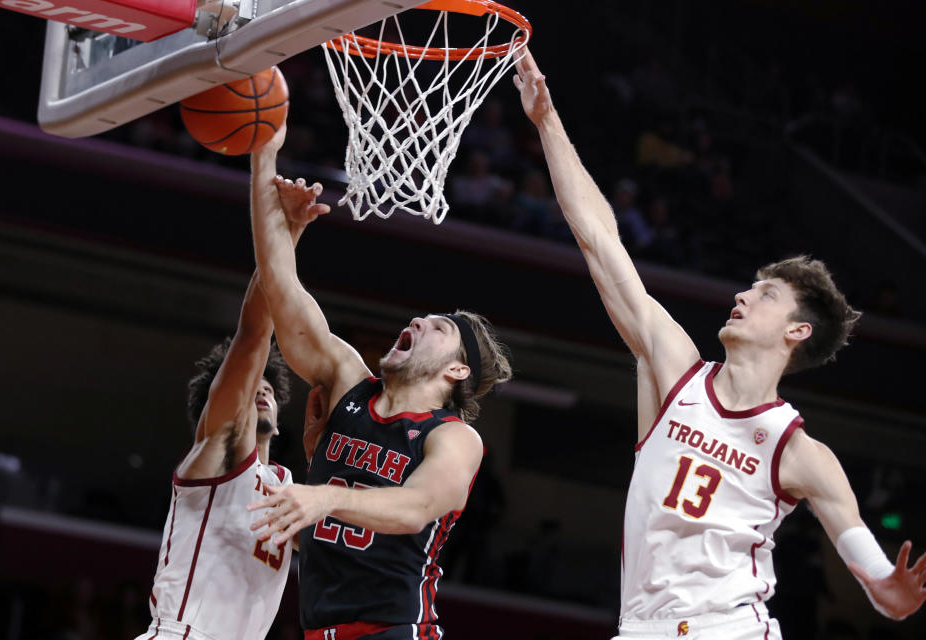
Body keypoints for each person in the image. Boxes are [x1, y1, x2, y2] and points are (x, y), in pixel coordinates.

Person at [513, 49, 926, 639]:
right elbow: (601, 241)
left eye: (765, 294)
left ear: (797, 330)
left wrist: (888, 588)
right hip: (640, 627)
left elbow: (872, 570)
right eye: (749, 286)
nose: (742, 296)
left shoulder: (799, 450)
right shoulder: (674, 368)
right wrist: (547, 122)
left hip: (728, 627)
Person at [246, 123, 513, 640]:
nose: (415, 323)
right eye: (420, 318)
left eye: (437, 329)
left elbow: (414, 509)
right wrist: (265, 159)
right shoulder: (351, 383)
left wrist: (321, 498)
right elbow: (282, 296)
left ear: (456, 371)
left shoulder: (453, 437)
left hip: (396, 630)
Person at [137, 173, 318, 640]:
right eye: (252, 385)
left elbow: (335, 547)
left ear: (279, 419)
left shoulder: (284, 488)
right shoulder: (217, 449)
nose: (261, 391)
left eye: (270, 390)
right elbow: (255, 334)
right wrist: (286, 235)